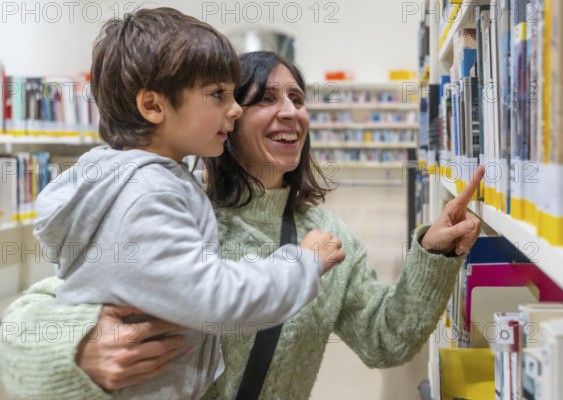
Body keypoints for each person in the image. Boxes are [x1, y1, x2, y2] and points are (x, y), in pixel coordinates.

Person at [0, 51, 484, 399]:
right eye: (267, 98)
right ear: (227, 121)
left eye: (297, 97)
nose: (291, 110)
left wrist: (435, 254)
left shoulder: (329, 238)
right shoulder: (176, 214)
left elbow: (386, 340)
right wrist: (81, 346)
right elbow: (26, 321)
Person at [12, 8, 346, 400]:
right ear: (154, 106)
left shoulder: (124, 179)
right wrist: (303, 263)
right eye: (219, 95)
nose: (234, 109)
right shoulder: (148, 193)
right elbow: (217, 298)